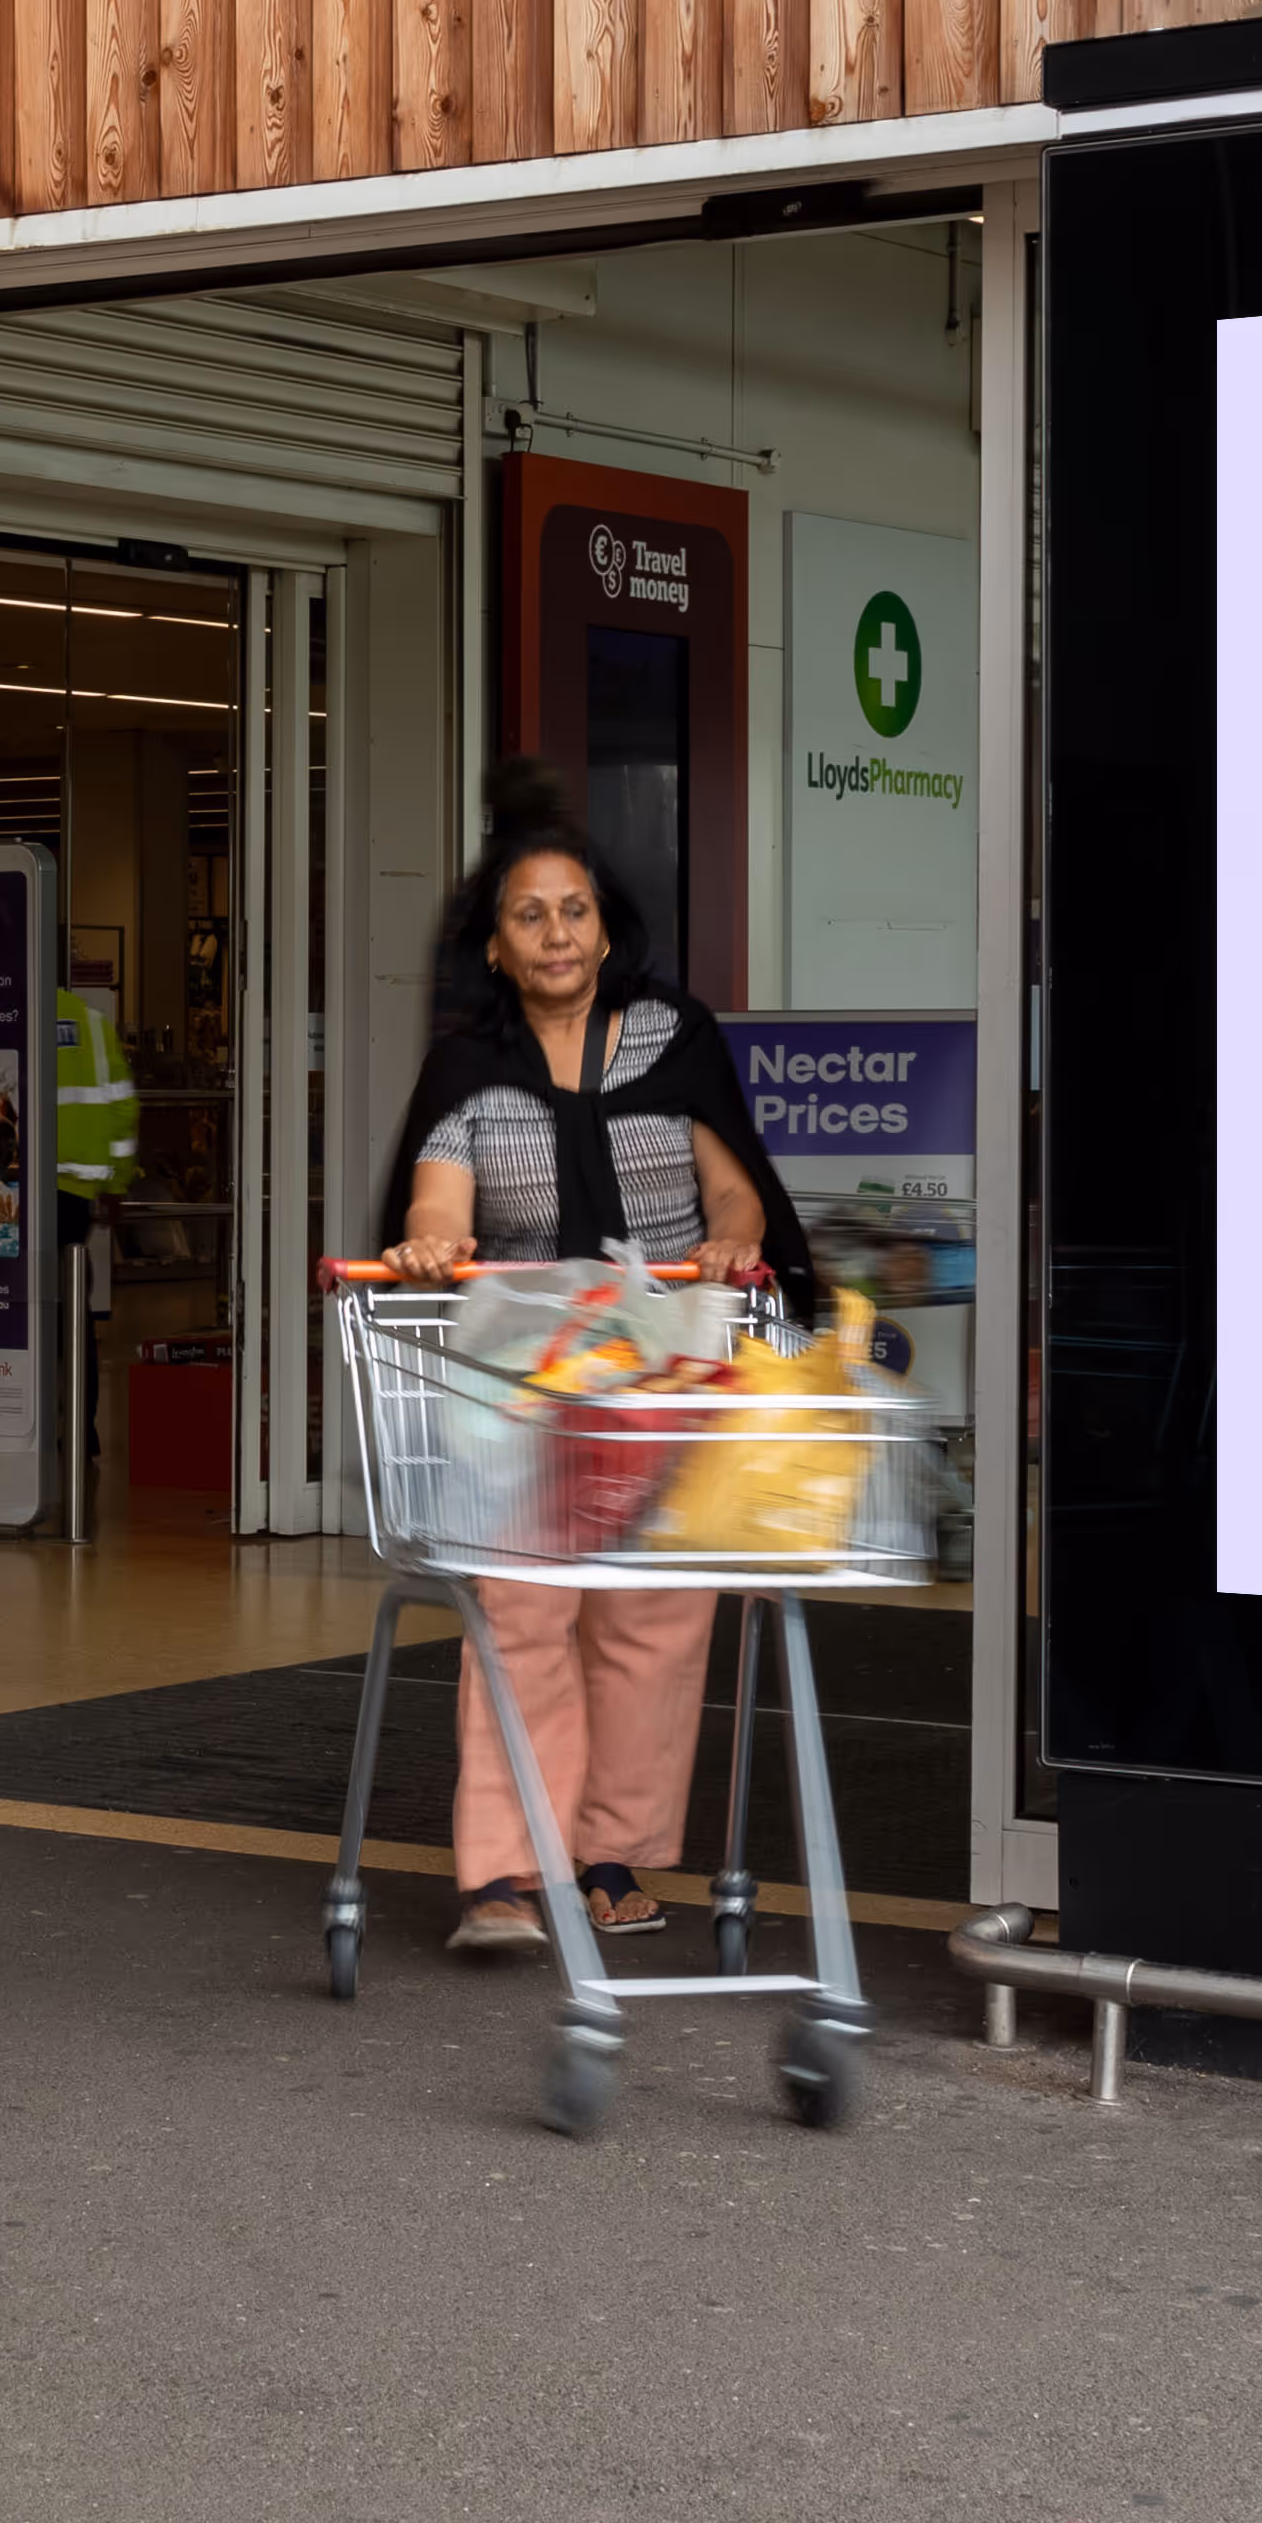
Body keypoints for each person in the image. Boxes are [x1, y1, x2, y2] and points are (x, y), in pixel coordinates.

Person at [368, 759, 823, 1962]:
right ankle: (508, 1873)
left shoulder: (677, 1038)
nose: (556, 932)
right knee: (520, 1613)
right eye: (530, 915)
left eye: (573, 910)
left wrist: (731, 1249)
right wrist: (430, 1238)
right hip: (520, 1368)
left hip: (662, 1355)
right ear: (496, 949)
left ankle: (607, 1852)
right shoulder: (471, 1068)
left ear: (606, 927)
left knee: (652, 1619)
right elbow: (437, 1192)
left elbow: (736, 1199)